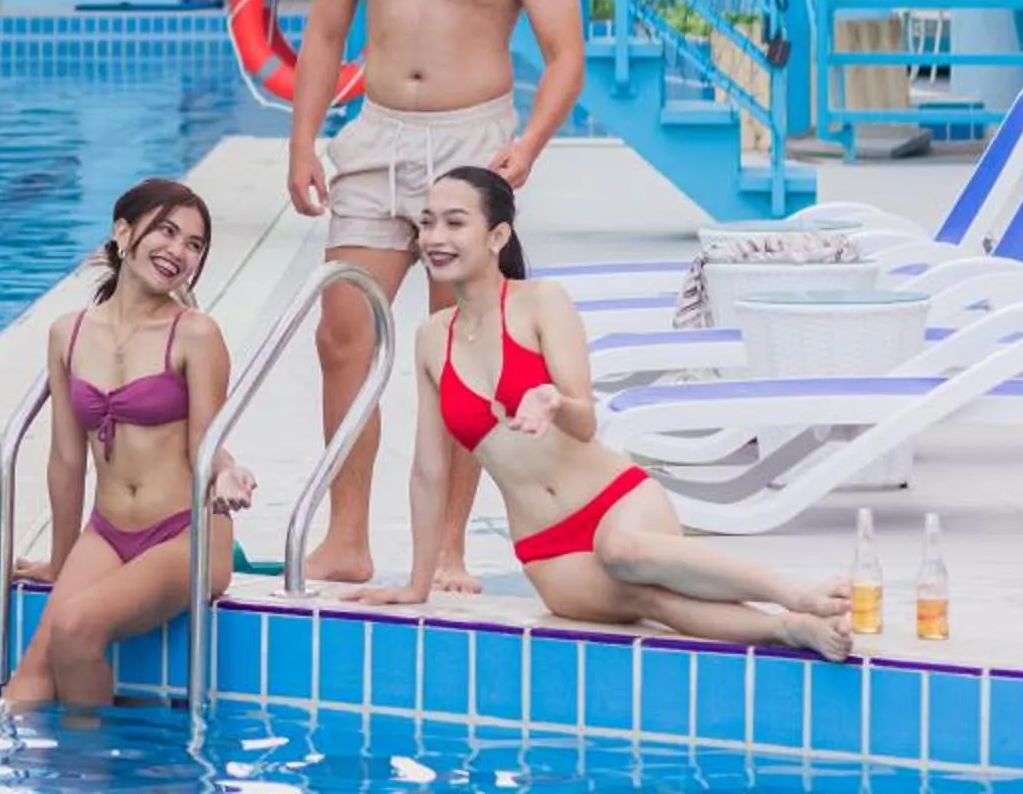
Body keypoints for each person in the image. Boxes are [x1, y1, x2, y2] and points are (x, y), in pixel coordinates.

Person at [285, 0, 585, 590]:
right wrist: (304, 141)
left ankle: (447, 547)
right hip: (376, 137)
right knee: (341, 336)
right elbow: (323, 33)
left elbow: (566, 57)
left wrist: (527, 146)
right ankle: (347, 536)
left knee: (461, 358)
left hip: (473, 140)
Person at [348, 168, 852, 657]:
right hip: (547, 548)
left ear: (498, 235)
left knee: (625, 551)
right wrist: (416, 585)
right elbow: (428, 471)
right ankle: (789, 629)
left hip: (613, 500)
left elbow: (585, 421)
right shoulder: (431, 337)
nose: (436, 236)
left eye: (455, 223)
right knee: (650, 600)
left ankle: (795, 594)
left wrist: (554, 401)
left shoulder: (542, 301)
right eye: (428, 222)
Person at [2, 178, 259, 710]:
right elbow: (67, 461)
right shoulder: (68, 334)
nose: (179, 252)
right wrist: (60, 559)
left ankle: (88, 766)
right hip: (108, 531)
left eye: (194, 244)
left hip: (186, 535)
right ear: (123, 232)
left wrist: (226, 471)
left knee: (74, 628)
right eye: (167, 231)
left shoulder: (195, 334)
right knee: (27, 678)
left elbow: (207, 444)